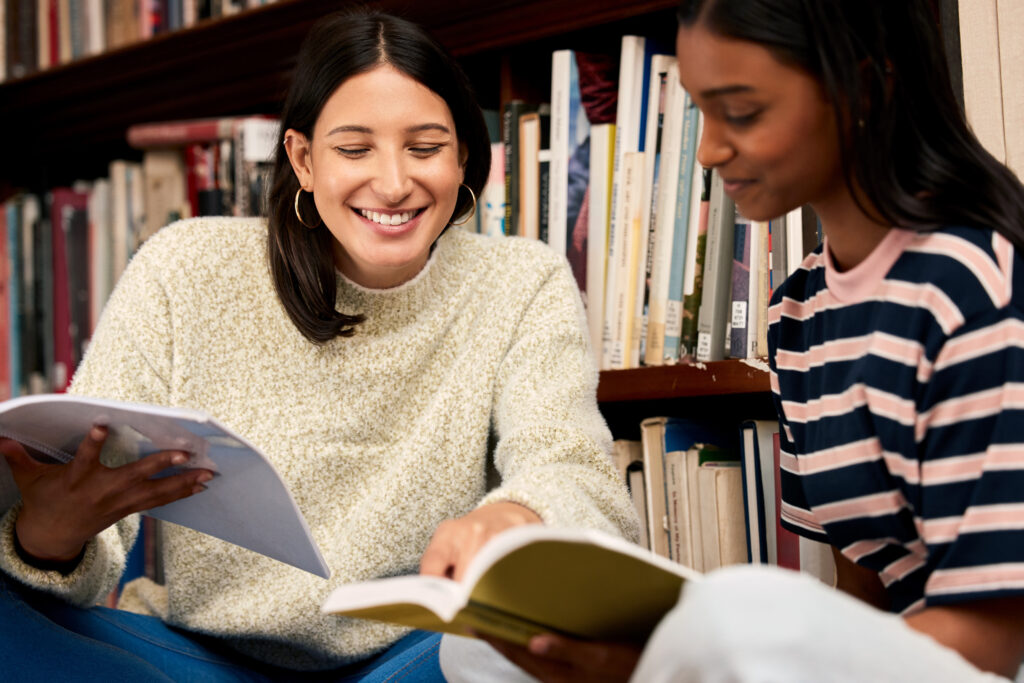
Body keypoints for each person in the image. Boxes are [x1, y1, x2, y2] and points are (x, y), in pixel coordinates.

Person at [0, 9, 639, 681]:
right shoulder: (184, 268)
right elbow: (83, 522)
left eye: (425, 148)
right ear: (303, 158)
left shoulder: (521, 282)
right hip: (200, 660)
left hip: (414, 657)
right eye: (355, 149)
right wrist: (48, 539)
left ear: (463, 158)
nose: (393, 183)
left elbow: (576, 474)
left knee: (514, 650)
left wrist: (518, 512)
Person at [441, 0, 1024, 680]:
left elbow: (994, 640)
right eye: (700, 112)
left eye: (741, 112)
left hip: (985, 663)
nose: (710, 150)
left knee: (735, 611)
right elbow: (858, 597)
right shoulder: (800, 312)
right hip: (892, 654)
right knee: (482, 645)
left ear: (862, 88)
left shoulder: (974, 284)